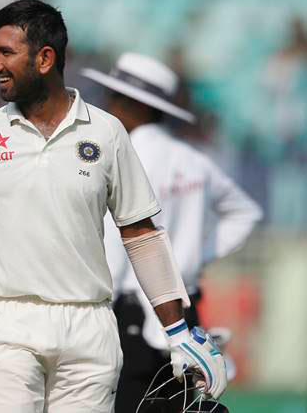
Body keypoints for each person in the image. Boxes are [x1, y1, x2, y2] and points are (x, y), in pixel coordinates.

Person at [0, 0, 227, 413]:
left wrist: (179, 330)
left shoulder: (108, 134)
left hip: (89, 327)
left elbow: (141, 234)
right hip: (6, 325)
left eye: (6, 52)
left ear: (45, 58)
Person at [81, 52, 263, 412]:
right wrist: (195, 255)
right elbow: (245, 213)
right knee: (174, 403)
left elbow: (116, 246)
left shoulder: (120, 156)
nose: (106, 104)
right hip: (185, 307)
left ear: (134, 104)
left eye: (113, 96)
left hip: (129, 310)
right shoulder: (193, 159)